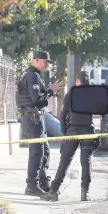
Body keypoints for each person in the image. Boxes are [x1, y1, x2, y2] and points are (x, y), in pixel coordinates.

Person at [40, 71, 98, 202]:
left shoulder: (70, 94)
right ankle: (85, 193)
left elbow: (63, 115)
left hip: (72, 130)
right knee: (86, 161)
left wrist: (65, 131)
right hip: (87, 130)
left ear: (77, 81)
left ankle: (54, 191)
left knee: (65, 161)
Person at [17, 50, 62, 196]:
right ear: (35, 60)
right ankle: (32, 185)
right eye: (45, 62)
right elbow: (37, 99)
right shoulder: (32, 76)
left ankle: (43, 183)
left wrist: (49, 91)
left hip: (35, 117)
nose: (47, 65)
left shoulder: (33, 75)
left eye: (48, 62)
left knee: (44, 150)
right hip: (32, 117)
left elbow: (39, 99)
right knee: (37, 151)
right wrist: (49, 91)